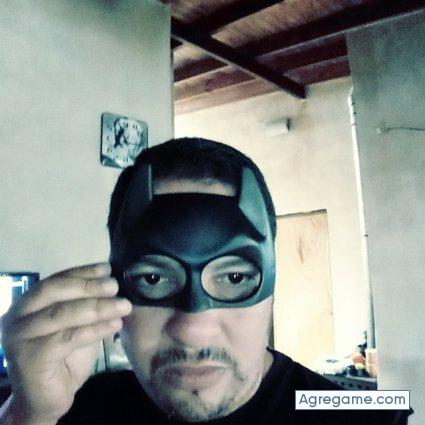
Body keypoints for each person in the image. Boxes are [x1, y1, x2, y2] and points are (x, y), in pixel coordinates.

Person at [0, 138, 411, 424]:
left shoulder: (360, 414)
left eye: (234, 277)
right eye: (154, 278)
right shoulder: (73, 406)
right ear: (110, 285)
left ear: (272, 286)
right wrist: (27, 415)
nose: (193, 330)